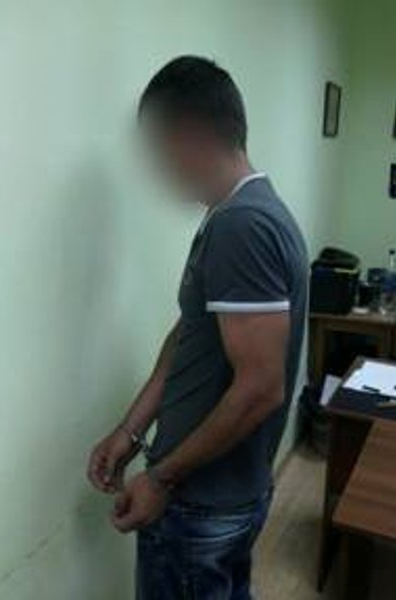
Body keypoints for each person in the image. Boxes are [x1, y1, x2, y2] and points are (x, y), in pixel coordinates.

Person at [87, 56, 308, 599]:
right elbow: (190, 333)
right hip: (214, 494)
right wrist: (131, 431)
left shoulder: (242, 226)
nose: (156, 168)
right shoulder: (235, 211)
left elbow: (261, 388)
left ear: (188, 136)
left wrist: (161, 478)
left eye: (156, 149)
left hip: (200, 503)